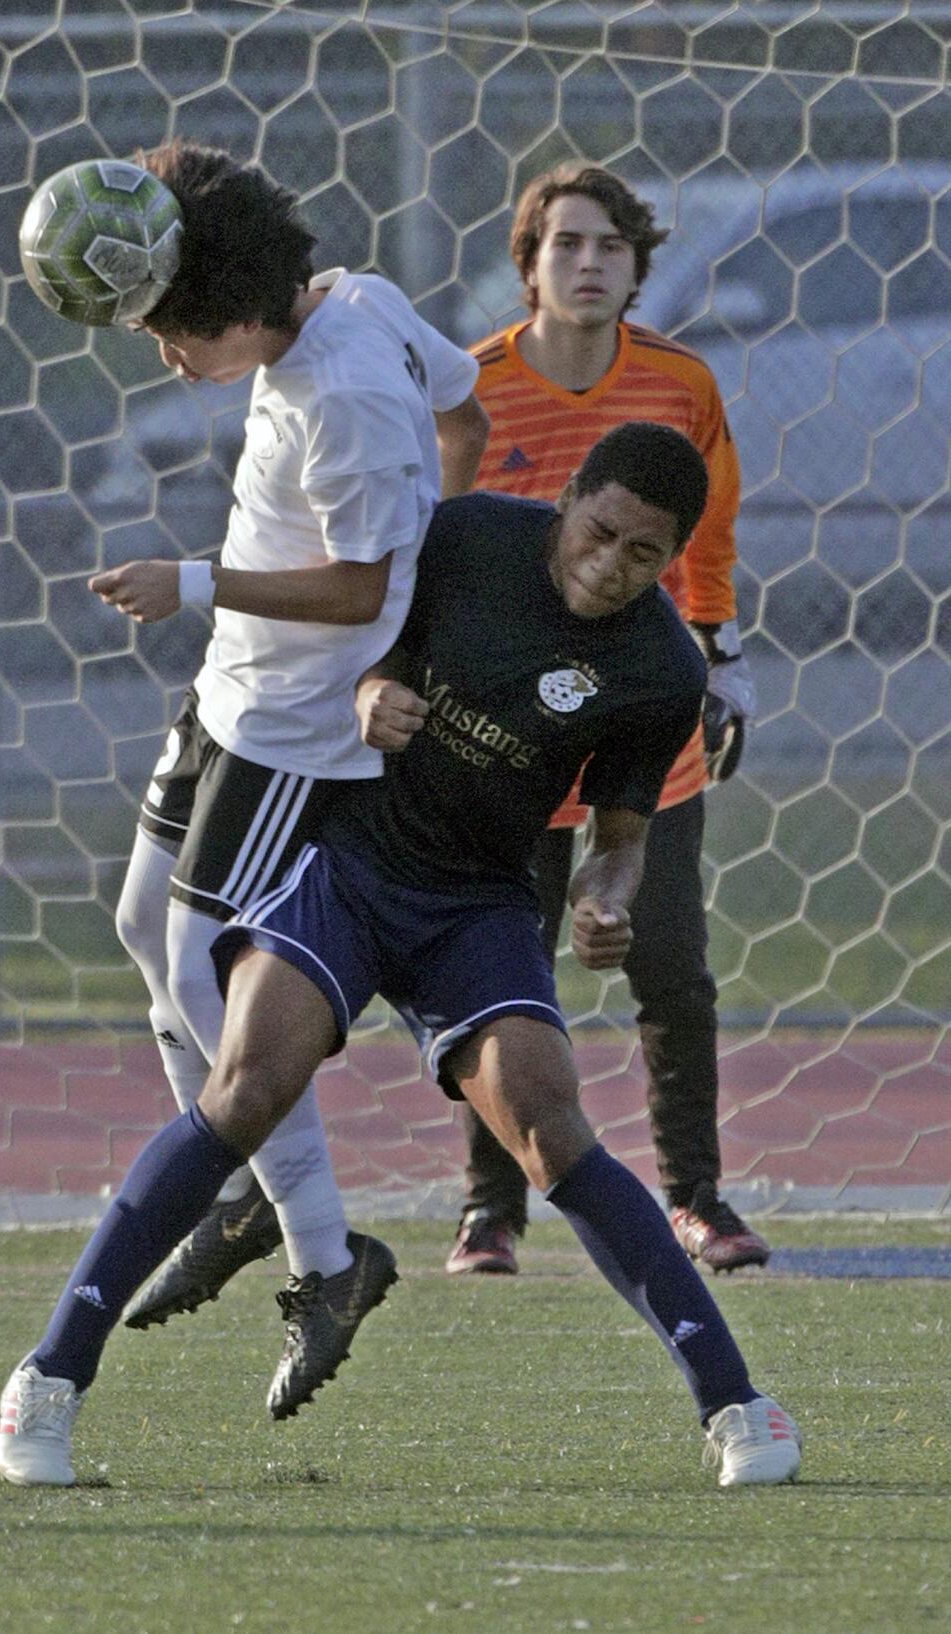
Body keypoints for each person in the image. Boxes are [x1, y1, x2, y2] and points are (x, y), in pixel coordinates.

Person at [0, 422, 801, 1490]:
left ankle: (739, 1406)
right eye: (601, 534)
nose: (611, 567)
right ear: (569, 500)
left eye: (643, 556)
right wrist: (369, 693)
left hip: (481, 902)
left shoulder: (658, 667)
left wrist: (610, 907)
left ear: (671, 560)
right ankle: (46, 1382)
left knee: (550, 1123)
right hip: (350, 864)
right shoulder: (465, 538)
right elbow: (358, 638)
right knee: (245, 1086)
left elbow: (619, 842)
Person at [0, 140, 488, 1483]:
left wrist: (196, 578)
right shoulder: (358, 302)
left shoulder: (341, 397)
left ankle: (320, 1248)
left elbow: (354, 590)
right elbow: (473, 403)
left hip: (290, 737)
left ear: (237, 311)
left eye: (173, 334)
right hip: (229, 700)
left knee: (218, 989)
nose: (166, 359)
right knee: (143, 925)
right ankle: (257, 1201)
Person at [445, 163, 767, 1279]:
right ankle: (490, 1212)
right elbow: (445, 548)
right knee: (500, 965)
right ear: (526, 260)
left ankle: (697, 1198)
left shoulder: (680, 384)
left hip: (646, 721)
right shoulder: (472, 385)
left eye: (610, 248)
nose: (588, 264)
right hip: (506, 736)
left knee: (670, 965)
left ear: (636, 268)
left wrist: (718, 648)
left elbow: (711, 528)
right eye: (565, 244)